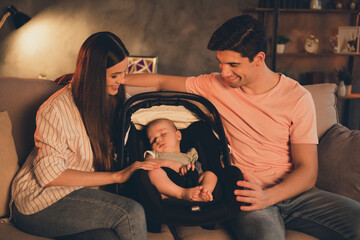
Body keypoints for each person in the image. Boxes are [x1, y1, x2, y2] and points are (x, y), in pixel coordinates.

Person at [123, 15, 360, 240]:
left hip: (297, 195)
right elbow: (161, 81)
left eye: (233, 64)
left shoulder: (298, 97)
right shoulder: (215, 85)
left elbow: (308, 172)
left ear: (258, 58)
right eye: (221, 63)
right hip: (245, 193)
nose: (224, 72)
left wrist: (269, 196)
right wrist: (116, 78)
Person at [10, 32, 160, 240]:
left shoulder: (118, 99)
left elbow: (154, 109)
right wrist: (117, 176)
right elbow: (50, 176)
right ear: (95, 75)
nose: (123, 81)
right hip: (40, 201)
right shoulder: (55, 110)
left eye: (124, 73)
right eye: (115, 75)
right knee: (130, 213)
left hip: (84, 194)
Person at [144, 118, 218, 202]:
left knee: (210, 175)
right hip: (168, 182)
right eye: (153, 140)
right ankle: (181, 193)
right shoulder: (154, 154)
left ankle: (203, 192)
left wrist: (190, 168)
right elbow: (147, 163)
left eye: (163, 134)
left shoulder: (189, 154)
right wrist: (168, 163)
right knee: (153, 172)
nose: (157, 140)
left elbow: (199, 171)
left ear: (178, 135)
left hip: (190, 181)